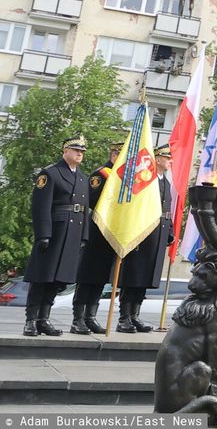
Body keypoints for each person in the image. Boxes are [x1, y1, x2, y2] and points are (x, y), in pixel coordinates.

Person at [23, 135, 90, 336]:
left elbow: (85, 209)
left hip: (73, 234)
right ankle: (31, 320)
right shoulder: (51, 173)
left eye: (82, 151)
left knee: (58, 280)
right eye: (76, 150)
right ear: (65, 151)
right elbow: (41, 207)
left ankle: (44, 319)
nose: (80, 153)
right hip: (55, 232)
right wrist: (43, 234)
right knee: (42, 278)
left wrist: (84, 236)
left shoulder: (82, 178)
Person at [116, 145, 173, 333]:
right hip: (142, 234)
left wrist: (170, 231)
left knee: (146, 277)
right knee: (133, 275)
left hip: (158, 234)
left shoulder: (166, 183)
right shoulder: (145, 180)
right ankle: (124, 317)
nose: (170, 160)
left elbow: (167, 210)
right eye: (166, 157)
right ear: (157, 159)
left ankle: (135, 315)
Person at [70, 139, 122, 334]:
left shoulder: (122, 177)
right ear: (114, 155)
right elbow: (90, 200)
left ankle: (90, 317)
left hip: (111, 232)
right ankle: (78, 319)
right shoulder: (101, 175)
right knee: (87, 276)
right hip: (96, 230)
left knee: (101, 277)